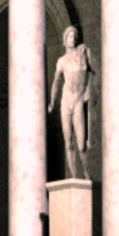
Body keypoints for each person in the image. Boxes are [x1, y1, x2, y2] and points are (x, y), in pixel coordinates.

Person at [48, 25, 95, 180]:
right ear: (65, 40)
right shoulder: (61, 61)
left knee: (81, 144)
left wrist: (90, 90)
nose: (72, 39)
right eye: (69, 36)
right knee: (68, 142)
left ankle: (86, 171)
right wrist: (52, 101)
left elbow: (92, 72)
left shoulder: (82, 52)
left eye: (74, 36)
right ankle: (74, 177)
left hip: (79, 99)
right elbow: (56, 82)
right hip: (66, 101)